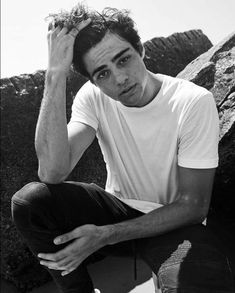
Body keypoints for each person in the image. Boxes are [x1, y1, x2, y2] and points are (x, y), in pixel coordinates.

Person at [11, 3, 234, 293]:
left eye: (124, 59)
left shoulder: (192, 102)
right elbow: (52, 172)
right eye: (102, 74)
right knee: (31, 201)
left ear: (140, 49)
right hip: (117, 210)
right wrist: (55, 75)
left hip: (174, 223)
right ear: (93, 80)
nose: (119, 78)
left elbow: (193, 206)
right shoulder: (92, 97)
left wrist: (106, 236)